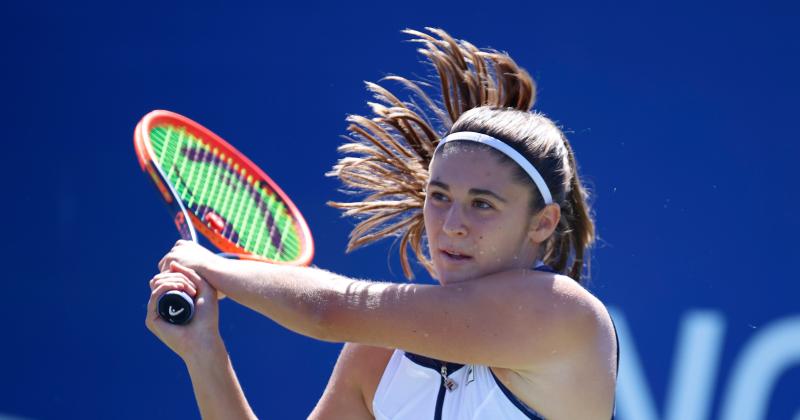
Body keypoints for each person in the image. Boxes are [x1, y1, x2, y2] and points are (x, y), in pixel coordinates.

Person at [146, 28, 618, 420]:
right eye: (439, 198)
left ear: (542, 224)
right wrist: (203, 353)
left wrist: (212, 267)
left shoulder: (564, 317)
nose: (452, 224)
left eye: (483, 204)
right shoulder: (378, 357)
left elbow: (327, 311)